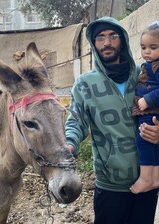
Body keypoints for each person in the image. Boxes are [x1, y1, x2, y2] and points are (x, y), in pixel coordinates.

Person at [65, 16, 159, 224]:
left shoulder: (143, 75)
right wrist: (69, 144)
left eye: (113, 36)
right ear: (94, 43)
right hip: (110, 184)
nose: (106, 42)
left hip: (148, 179)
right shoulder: (84, 84)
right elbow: (76, 120)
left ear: (123, 40)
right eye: (100, 37)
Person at [131, 21, 159, 194]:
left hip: (151, 111)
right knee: (152, 144)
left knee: (144, 140)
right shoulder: (151, 64)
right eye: (143, 47)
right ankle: (155, 178)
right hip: (149, 111)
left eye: (153, 47)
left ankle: (146, 178)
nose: (146, 51)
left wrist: (148, 99)